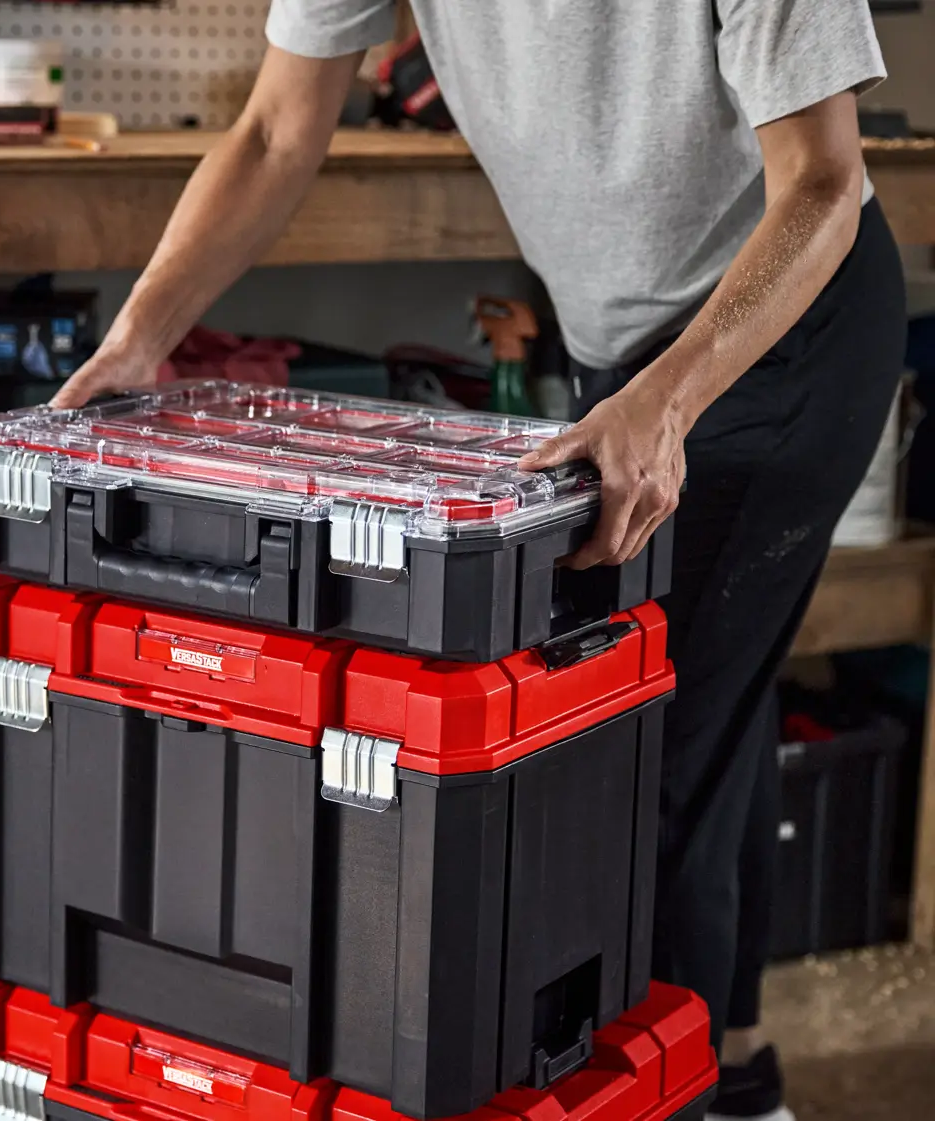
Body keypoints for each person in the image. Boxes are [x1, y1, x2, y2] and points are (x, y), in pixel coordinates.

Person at [48, 4, 906, 1120]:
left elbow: (824, 187)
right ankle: (733, 1073)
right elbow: (273, 129)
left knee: (634, 763)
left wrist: (668, 401)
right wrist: (138, 337)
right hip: (627, 361)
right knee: (698, 711)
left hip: (781, 336)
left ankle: (665, 1093)